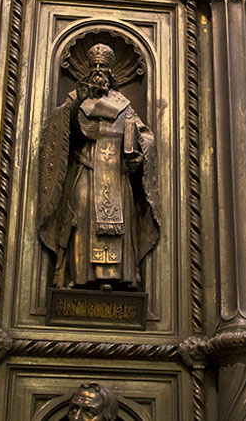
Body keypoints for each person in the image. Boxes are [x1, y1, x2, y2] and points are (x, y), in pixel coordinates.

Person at [37, 42, 160, 290]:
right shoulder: (76, 99)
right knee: (81, 214)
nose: (97, 71)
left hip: (117, 174)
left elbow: (145, 135)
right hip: (87, 168)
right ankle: (79, 275)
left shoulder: (123, 104)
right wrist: (76, 104)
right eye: (93, 66)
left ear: (110, 72)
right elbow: (59, 130)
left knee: (120, 221)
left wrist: (140, 156)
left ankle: (118, 276)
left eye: (102, 66)